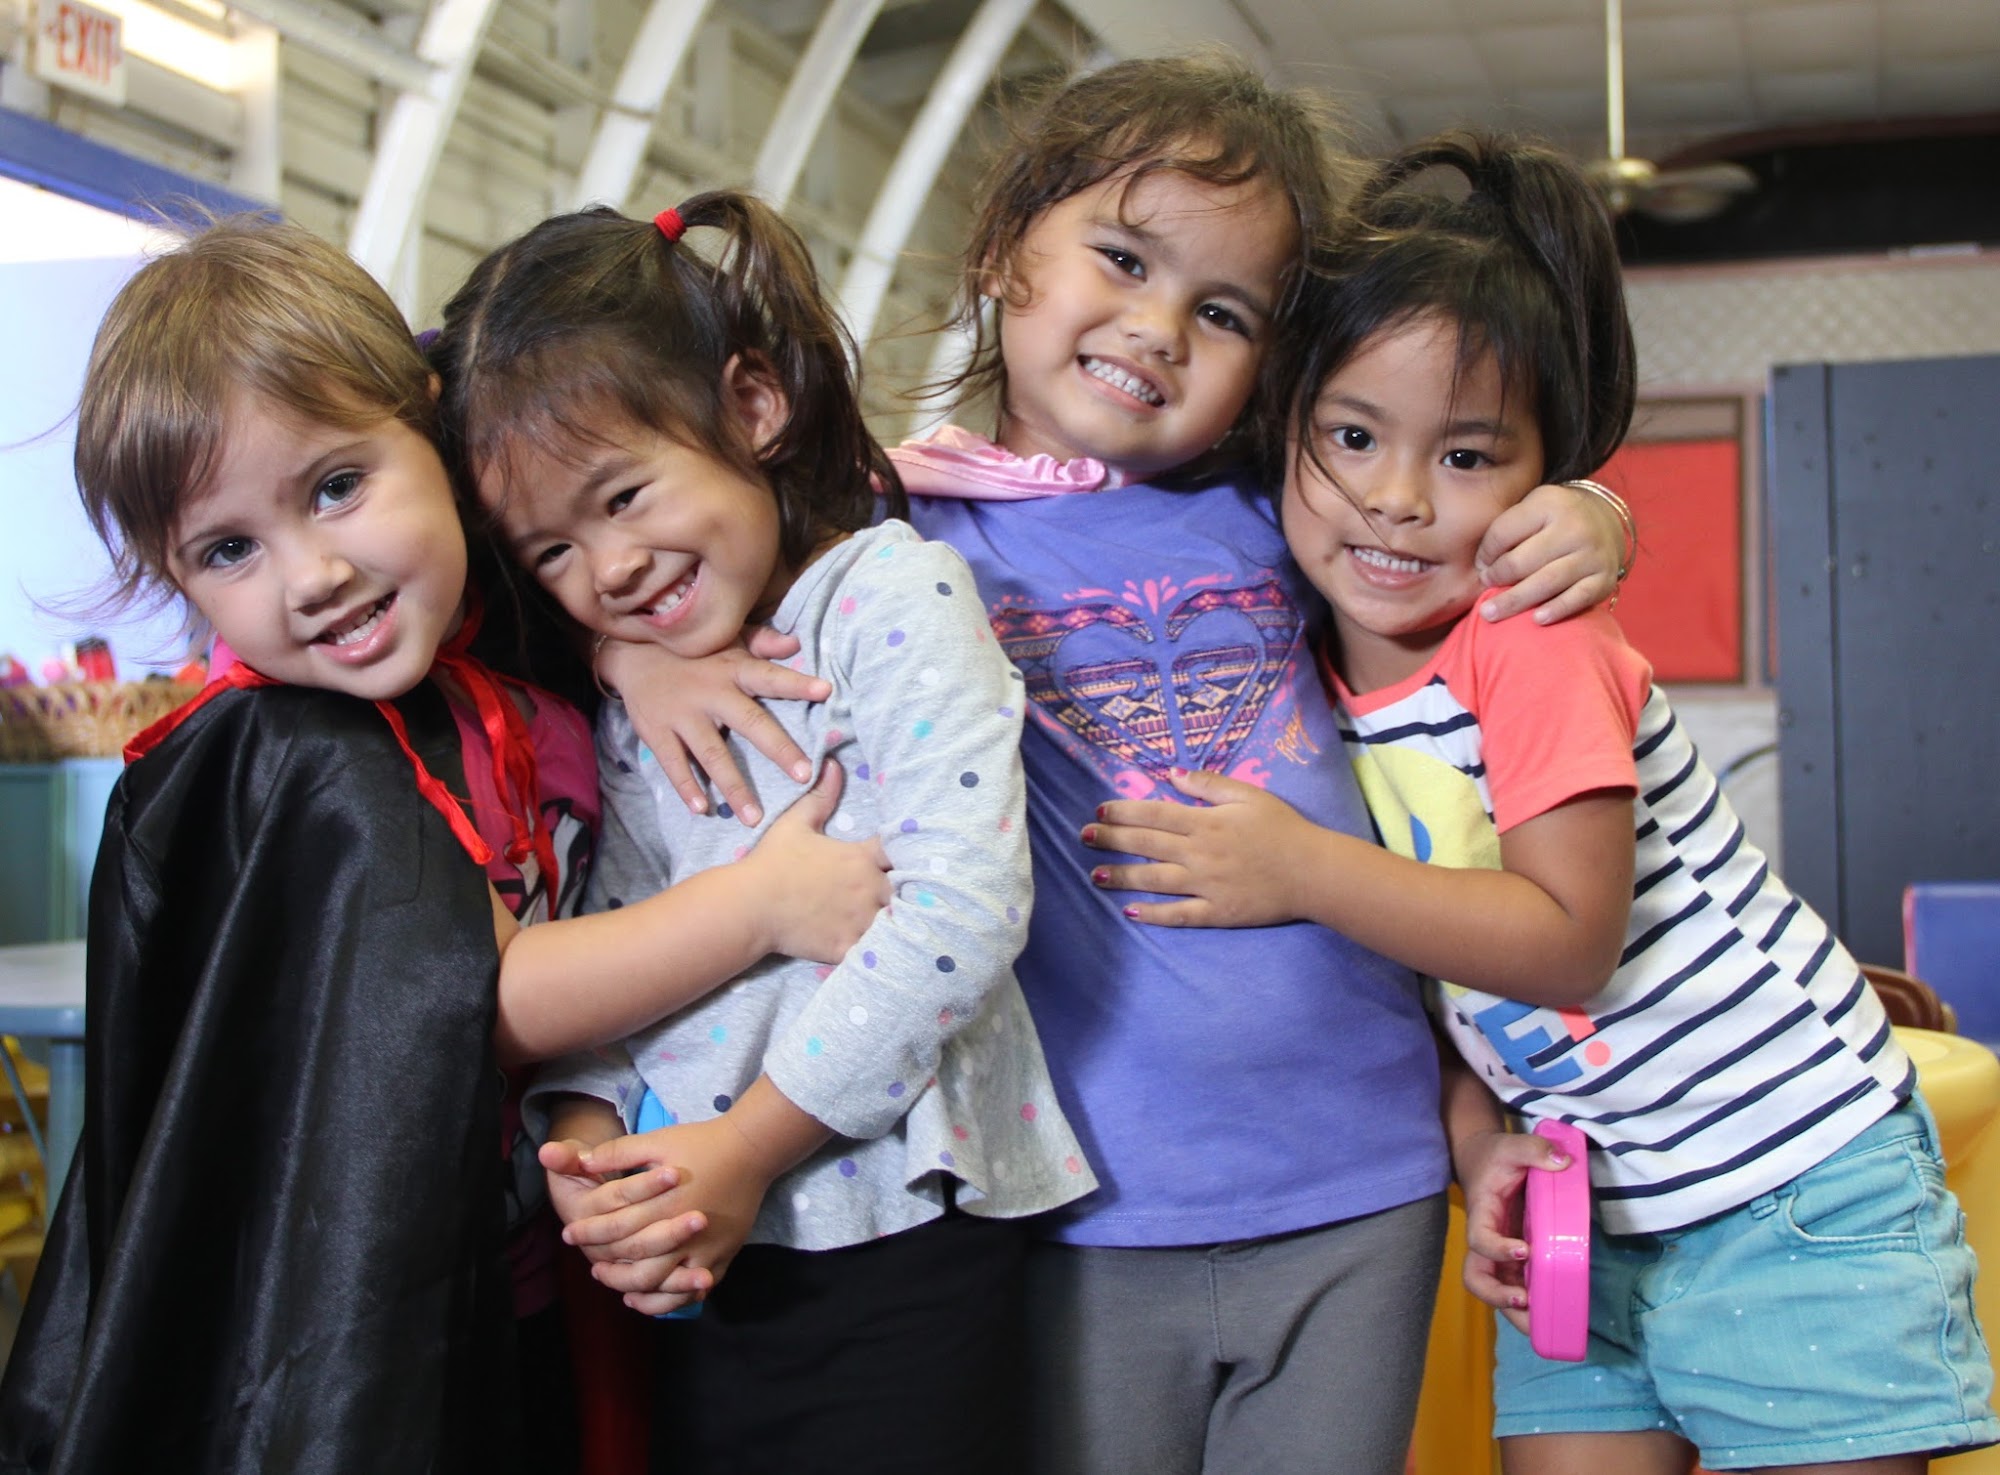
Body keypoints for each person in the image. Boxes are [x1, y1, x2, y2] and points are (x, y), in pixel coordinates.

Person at [601, 54, 1631, 1475]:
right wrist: (639, 654)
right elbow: (639, 545)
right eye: (1124, 259)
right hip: (1081, 1202)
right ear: (1002, 246)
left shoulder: (1284, 510)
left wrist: (1589, 512)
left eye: (1222, 312)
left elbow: (1438, 485)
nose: (1156, 329)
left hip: (1363, 1179)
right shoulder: (875, 533)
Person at [1086, 130, 1998, 1475]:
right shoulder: (1304, 659)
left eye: (1467, 456)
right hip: (1591, 1198)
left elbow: (1568, 934)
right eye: (1351, 436)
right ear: (1281, 425)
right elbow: (1426, 976)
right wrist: (1479, 1140)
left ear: (1541, 478)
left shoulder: (1525, 632)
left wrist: (1296, 868)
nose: (1397, 500)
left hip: (1786, 1175)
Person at [0, 217, 890, 1475]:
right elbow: (485, 993)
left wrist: (625, 651)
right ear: (173, 577)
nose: (312, 575)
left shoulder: (501, 663)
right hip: (384, 1320)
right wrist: (760, 905)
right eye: (229, 549)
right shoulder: (297, 761)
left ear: (432, 428)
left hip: (537, 1273)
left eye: (335, 486)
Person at [429, 189, 1096, 1475]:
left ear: (751, 406)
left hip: (895, 1221)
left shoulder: (890, 592)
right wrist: (587, 1148)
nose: (608, 567)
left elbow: (960, 912)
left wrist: (741, 1147)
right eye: (553, 549)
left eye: (624, 493)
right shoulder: (638, 680)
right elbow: (610, 941)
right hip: (700, 1248)